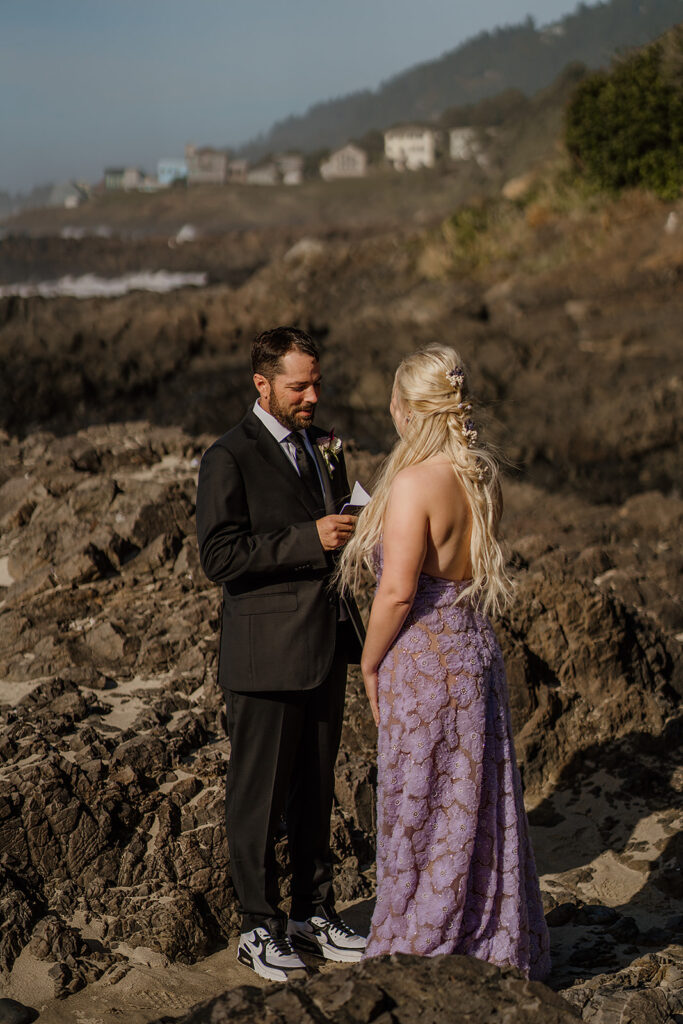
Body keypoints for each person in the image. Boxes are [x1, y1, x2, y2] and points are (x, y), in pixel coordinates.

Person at [337, 344, 550, 980]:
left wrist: (370, 664)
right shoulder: (478, 477)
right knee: (479, 802)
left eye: (395, 405)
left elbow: (398, 590)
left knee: (421, 804)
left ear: (407, 412)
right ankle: (489, 940)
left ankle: (423, 943)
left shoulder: (412, 483)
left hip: (426, 660)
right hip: (475, 648)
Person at [196, 326, 367, 982]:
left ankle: (312, 912)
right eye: (299, 385)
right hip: (263, 655)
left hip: (324, 644)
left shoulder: (324, 447)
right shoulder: (228, 457)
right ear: (261, 383)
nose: (312, 396)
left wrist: (356, 532)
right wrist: (309, 537)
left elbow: (331, 538)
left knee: (316, 792)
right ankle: (256, 927)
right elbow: (219, 557)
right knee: (258, 800)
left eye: (316, 383)